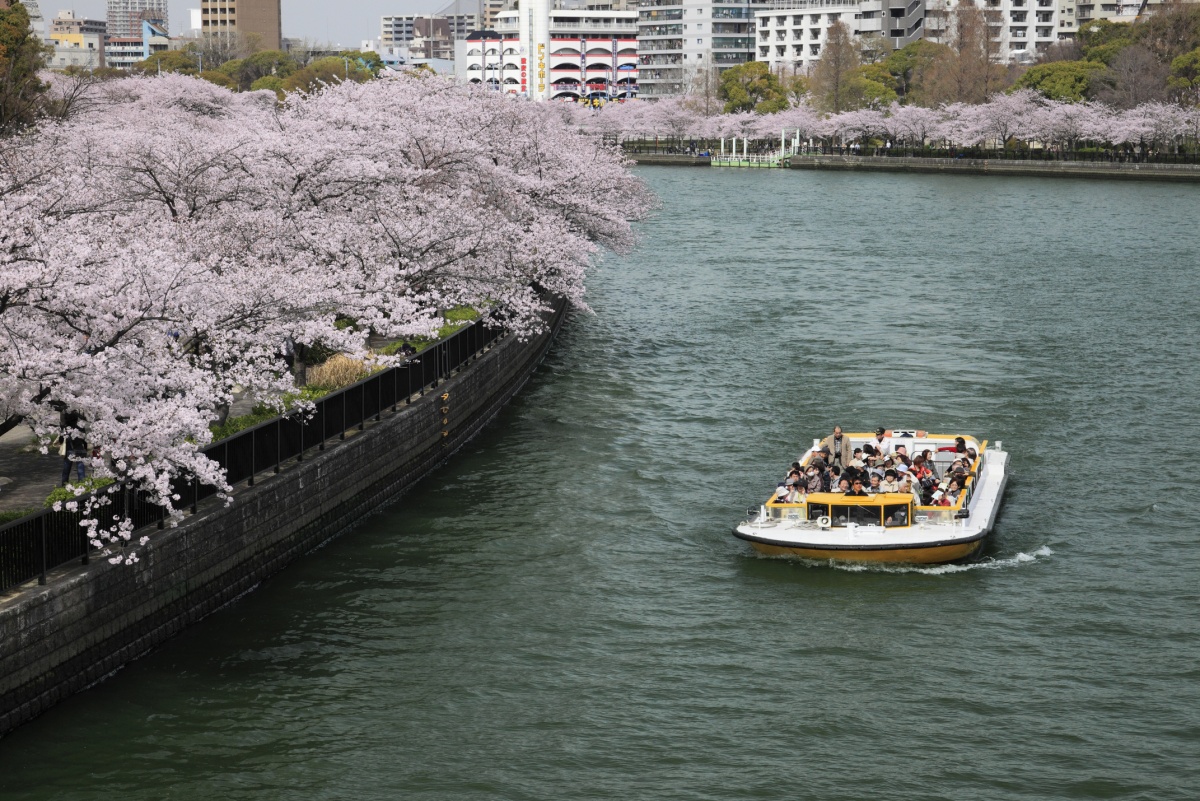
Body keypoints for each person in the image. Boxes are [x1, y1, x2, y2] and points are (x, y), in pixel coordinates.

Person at [59, 411, 87, 486]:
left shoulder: (65, 429)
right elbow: (84, 439)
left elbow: (61, 440)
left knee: (66, 470)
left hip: (69, 450)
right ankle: (82, 486)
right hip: (80, 449)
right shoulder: (80, 427)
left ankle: (64, 486)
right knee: (81, 471)